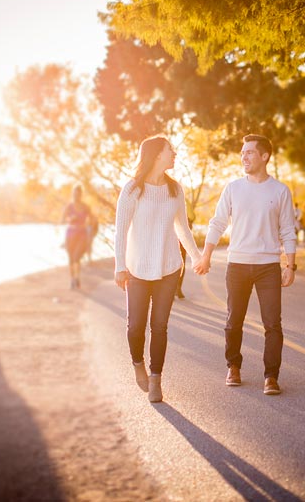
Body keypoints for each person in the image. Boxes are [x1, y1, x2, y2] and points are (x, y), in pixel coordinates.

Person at [193, 134, 297, 396]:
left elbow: (287, 230)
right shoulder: (233, 189)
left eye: (249, 152)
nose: (244, 157)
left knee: (272, 324)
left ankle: (271, 377)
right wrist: (205, 255)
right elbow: (217, 223)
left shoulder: (280, 190)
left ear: (264, 156)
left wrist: (290, 265)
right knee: (233, 321)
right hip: (237, 265)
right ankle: (233, 367)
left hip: (268, 266)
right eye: (242, 153)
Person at [114, 135, 201, 403]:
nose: (174, 154)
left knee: (160, 326)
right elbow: (120, 232)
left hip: (168, 269)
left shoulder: (175, 190)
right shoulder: (132, 190)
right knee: (135, 327)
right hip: (137, 269)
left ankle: (156, 379)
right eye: (169, 150)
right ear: (156, 155)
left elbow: (182, 228)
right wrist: (120, 266)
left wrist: (197, 258)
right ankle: (137, 362)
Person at [61, 184, 93, 289]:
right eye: (74, 194)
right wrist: (69, 219)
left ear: (81, 195)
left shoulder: (85, 207)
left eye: (78, 194)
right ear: (72, 194)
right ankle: (72, 280)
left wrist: (87, 226)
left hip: (81, 235)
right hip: (70, 235)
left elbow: (92, 220)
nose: (76, 196)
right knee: (71, 259)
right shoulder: (69, 207)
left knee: (76, 257)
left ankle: (77, 277)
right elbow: (62, 220)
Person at [175, 206, 195, 299]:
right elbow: (193, 217)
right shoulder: (186, 201)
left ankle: (171, 289)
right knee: (181, 262)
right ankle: (178, 287)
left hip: (171, 237)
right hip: (182, 238)